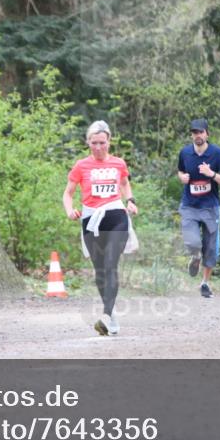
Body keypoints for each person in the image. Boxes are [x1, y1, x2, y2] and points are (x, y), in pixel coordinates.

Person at [63, 121, 138, 336]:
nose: (98, 147)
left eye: (102, 143)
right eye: (94, 143)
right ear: (88, 142)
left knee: (110, 263)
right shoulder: (81, 166)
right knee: (100, 271)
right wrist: (69, 210)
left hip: (116, 216)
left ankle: (105, 316)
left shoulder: (118, 163)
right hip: (91, 220)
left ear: (109, 142)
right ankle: (111, 316)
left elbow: (124, 184)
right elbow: (68, 193)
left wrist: (130, 200)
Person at [176, 118, 220, 298]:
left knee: (210, 247)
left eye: (200, 132)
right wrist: (182, 177)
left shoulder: (218, 154)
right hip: (190, 206)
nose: (197, 136)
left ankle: (205, 283)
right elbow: (180, 171)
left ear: (207, 134)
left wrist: (212, 174)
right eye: (194, 132)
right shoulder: (185, 153)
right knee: (192, 242)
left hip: (210, 208)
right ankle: (195, 257)